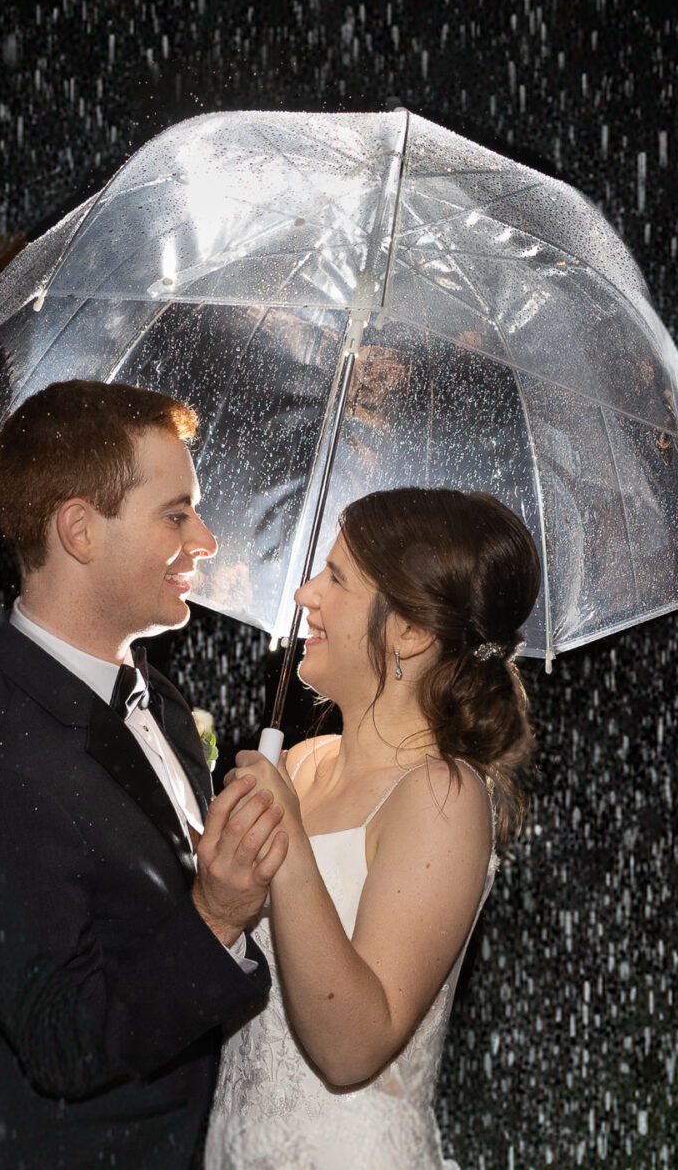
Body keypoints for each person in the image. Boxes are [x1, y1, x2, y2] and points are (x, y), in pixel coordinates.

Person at [0, 379, 289, 1168]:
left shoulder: (162, 705)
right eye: (177, 513)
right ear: (80, 531)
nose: (207, 540)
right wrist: (217, 917)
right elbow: (67, 1042)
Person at [204, 487, 541, 1169]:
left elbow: (351, 1050)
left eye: (336, 579)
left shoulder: (442, 796)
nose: (304, 596)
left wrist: (289, 846)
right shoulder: (297, 764)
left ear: (410, 631)